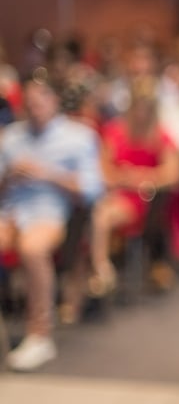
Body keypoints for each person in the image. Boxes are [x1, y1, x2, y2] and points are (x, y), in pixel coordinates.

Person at [0, 75, 103, 371]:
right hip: (10, 211)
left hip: (52, 213)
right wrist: (9, 177)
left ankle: (39, 334)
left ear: (54, 101)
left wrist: (47, 174)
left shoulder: (79, 136)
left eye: (41, 101)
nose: (35, 108)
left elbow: (93, 189)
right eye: (29, 103)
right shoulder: (11, 137)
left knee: (32, 248)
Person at [89, 77, 179, 296]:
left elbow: (174, 175)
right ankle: (101, 268)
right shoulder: (115, 131)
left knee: (102, 215)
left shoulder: (161, 136)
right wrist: (125, 178)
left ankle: (102, 269)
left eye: (146, 109)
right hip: (118, 194)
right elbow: (103, 170)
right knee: (99, 213)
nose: (141, 114)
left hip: (146, 200)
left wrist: (143, 177)